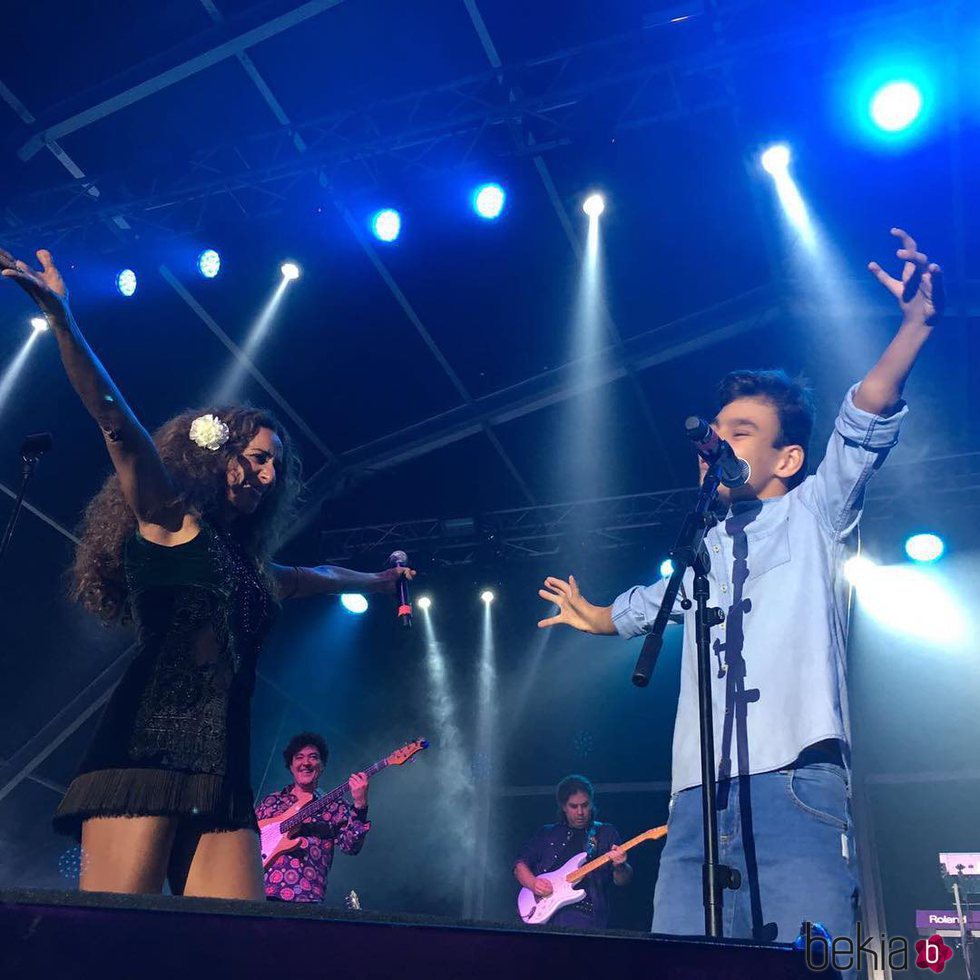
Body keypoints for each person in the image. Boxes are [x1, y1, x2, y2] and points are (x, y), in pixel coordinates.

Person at [536, 229, 943, 943]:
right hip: (695, 800)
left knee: (804, 958)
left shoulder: (814, 510)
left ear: (787, 456)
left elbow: (864, 419)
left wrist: (912, 328)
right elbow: (637, 613)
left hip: (796, 785)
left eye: (743, 430)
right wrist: (590, 613)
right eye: (716, 431)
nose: (719, 441)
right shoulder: (699, 547)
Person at [0, 246, 414, 900]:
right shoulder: (170, 520)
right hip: (145, 751)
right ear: (222, 460)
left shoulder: (247, 565)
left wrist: (376, 581)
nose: (269, 475)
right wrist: (63, 321)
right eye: (257, 458)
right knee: (116, 941)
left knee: (236, 949)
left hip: (222, 770)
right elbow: (118, 425)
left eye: (276, 465)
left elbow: (310, 574)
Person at [255, 733, 371, 903]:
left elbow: (350, 847)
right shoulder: (271, 802)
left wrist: (360, 804)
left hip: (306, 897)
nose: (306, 763)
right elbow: (246, 840)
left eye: (313, 757)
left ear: (322, 765)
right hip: (261, 893)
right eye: (299, 757)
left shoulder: (335, 806)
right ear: (291, 765)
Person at [514, 774, 632, 929]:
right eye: (574, 806)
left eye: (585, 805)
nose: (581, 812)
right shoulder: (547, 833)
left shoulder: (605, 833)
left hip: (585, 917)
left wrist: (620, 866)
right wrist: (534, 883)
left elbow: (622, 881)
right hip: (544, 916)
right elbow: (519, 866)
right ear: (563, 806)